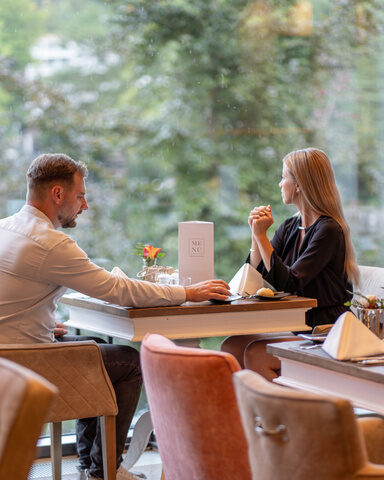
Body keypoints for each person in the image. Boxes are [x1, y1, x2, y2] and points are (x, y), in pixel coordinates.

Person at [0, 153, 230, 480]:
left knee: (93, 345)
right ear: (57, 194)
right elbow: (117, 290)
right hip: (27, 362)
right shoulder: (51, 244)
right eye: (80, 196)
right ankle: (104, 469)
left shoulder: (5, 227)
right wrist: (188, 293)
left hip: (8, 355)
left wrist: (45, 325)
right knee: (126, 362)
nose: (85, 205)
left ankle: (88, 463)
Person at [221, 147, 359, 381]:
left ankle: (272, 417)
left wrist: (263, 237)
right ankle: (244, 416)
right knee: (231, 347)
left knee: (256, 353)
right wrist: (256, 236)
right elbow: (259, 276)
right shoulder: (290, 227)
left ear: (299, 185)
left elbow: (291, 282)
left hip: (325, 329)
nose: (280, 183)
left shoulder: (328, 230)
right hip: (297, 323)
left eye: (284, 177)